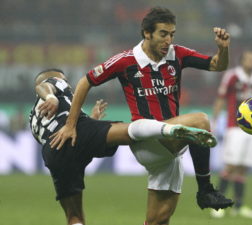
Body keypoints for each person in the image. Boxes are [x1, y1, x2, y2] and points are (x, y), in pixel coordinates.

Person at [51, 7, 233, 225]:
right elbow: (85, 81)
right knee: (201, 121)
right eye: (163, 34)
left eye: (172, 34)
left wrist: (223, 50)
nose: (168, 40)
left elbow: (216, 65)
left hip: (171, 148)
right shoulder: (126, 60)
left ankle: (201, 188)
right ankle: (205, 189)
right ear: (147, 33)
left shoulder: (178, 54)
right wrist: (71, 125)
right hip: (148, 140)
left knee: (159, 220)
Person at [30, 69, 217, 225]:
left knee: (74, 216)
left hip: (53, 149)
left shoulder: (33, 117)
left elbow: (69, 144)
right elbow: (43, 86)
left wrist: (92, 119)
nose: (66, 82)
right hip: (77, 130)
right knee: (131, 132)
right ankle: (167, 130)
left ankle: (165, 131)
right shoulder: (55, 83)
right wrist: (51, 96)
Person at [210, 50, 252, 218]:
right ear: (241, 60)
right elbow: (221, 98)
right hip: (234, 127)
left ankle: (239, 206)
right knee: (231, 165)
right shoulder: (232, 76)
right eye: (249, 58)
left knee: (243, 168)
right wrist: (214, 122)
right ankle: (217, 205)